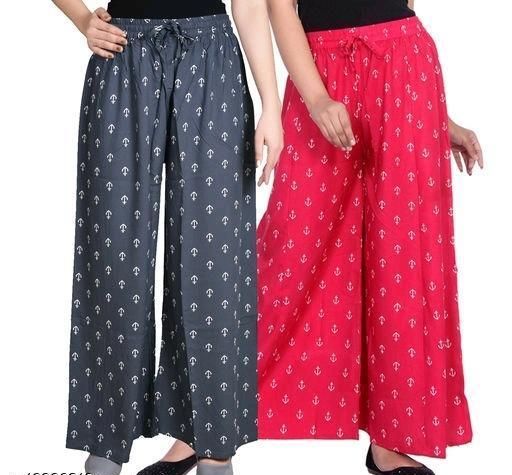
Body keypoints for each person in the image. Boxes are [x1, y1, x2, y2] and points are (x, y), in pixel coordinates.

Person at [52, 1, 282, 474]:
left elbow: (249, 5)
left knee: (215, 265)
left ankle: (214, 445)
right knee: (113, 255)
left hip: (213, 61)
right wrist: (82, 19)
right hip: (123, 56)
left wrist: (271, 105)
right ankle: (105, 438)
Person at [257, 1, 483, 474]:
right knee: (288, 248)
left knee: (401, 261)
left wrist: (439, 118)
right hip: (319, 67)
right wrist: (316, 98)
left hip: (405, 69)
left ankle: (391, 440)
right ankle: (213, 412)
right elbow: (279, 6)